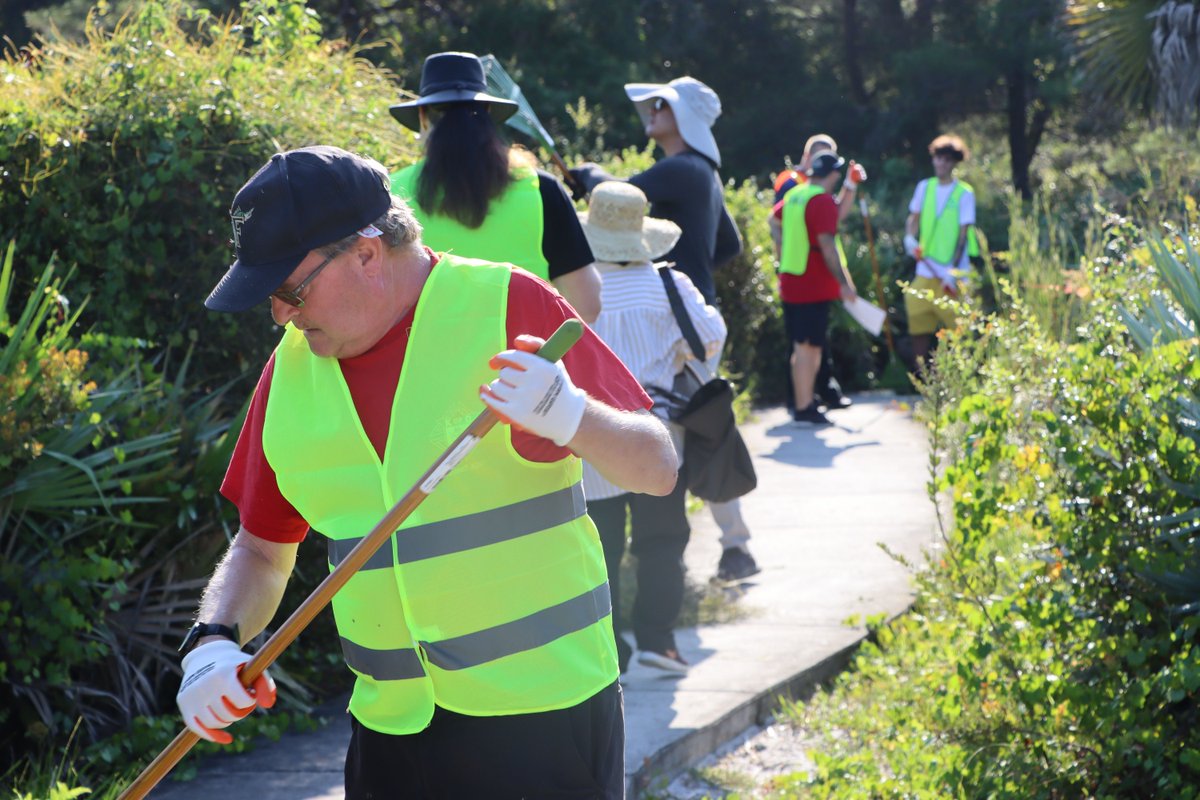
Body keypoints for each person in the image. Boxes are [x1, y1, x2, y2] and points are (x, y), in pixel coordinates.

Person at [178, 145, 678, 800]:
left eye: (289, 289)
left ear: (365, 251)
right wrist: (212, 643)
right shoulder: (289, 373)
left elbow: (658, 467)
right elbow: (261, 551)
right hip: (392, 736)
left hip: (545, 718)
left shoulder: (508, 303)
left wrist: (572, 414)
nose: (279, 314)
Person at [570, 76, 759, 584]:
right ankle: (732, 546)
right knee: (702, 427)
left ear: (683, 115)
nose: (650, 110)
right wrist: (683, 272)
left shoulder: (680, 169)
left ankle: (722, 550)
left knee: (679, 431)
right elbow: (730, 247)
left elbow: (622, 199)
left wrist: (588, 174)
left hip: (672, 318)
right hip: (688, 317)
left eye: (661, 104)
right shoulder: (706, 172)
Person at [577, 181, 727, 675]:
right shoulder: (668, 284)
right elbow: (708, 341)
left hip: (591, 436)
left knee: (598, 546)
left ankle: (610, 649)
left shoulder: (573, 288)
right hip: (659, 437)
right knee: (662, 542)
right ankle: (657, 641)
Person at [387, 51, 601, 322]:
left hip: (424, 360)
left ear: (423, 117)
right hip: (521, 360)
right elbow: (588, 304)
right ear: (488, 112)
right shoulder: (541, 189)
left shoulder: (390, 194)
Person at [769, 133, 867, 413]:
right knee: (807, 349)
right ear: (832, 173)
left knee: (805, 347)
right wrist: (845, 284)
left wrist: (781, 253)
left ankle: (805, 402)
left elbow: (774, 221)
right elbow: (828, 247)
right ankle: (804, 406)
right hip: (811, 283)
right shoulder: (820, 200)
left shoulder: (795, 194)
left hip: (792, 279)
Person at [902, 133, 978, 371]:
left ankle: (961, 373)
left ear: (954, 163)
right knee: (917, 317)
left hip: (951, 272)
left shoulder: (964, 193)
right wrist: (909, 238)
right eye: (938, 158)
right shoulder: (924, 187)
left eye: (946, 160)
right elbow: (913, 219)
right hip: (926, 267)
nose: (941, 164)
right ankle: (922, 375)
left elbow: (963, 234)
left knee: (957, 325)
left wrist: (952, 271)